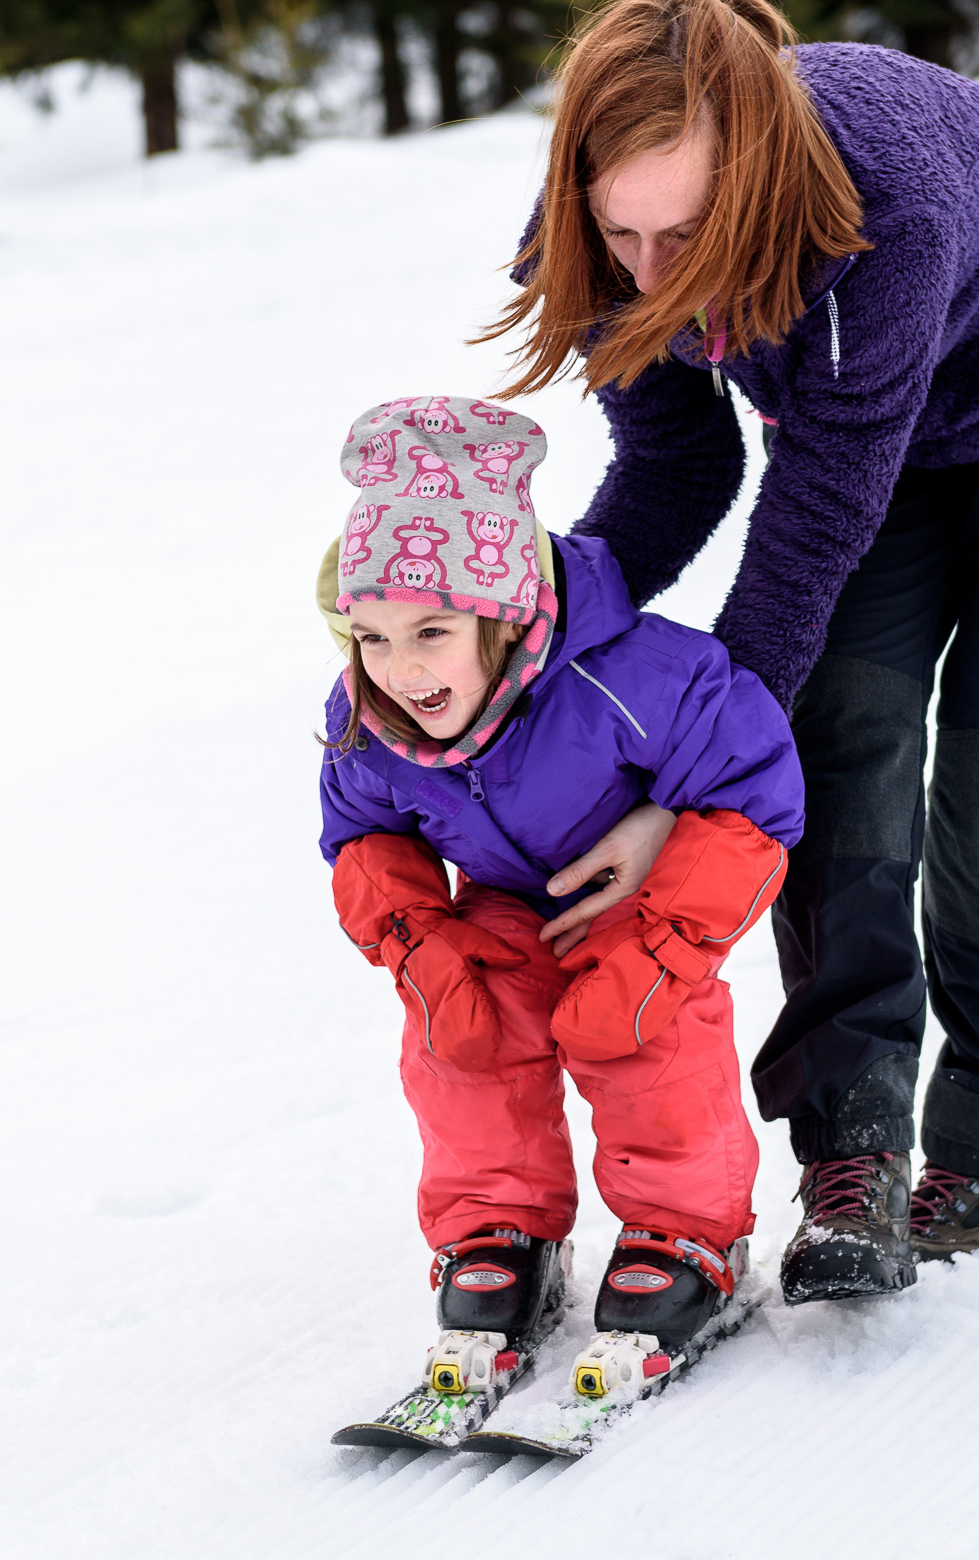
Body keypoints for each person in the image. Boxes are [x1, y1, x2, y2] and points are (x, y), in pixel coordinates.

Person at [482, 0, 979, 1302]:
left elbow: (803, 535)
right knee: (835, 730)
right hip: (876, 437)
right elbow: (678, 471)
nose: (644, 272)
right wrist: (535, 654)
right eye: (617, 233)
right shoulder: (595, 235)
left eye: (680, 238)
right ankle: (851, 1150)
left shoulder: (877, 214)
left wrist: (675, 797)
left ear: (746, 182)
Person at [317, 393, 802, 1396]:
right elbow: (363, 829)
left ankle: (689, 1236)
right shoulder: (369, 711)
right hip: (501, 899)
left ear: (501, 612)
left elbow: (755, 786)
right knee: (464, 1029)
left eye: (431, 631)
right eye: (369, 636)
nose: (399, 669)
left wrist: (667, 941)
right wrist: (416, 939)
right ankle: (498, 1231)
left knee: (642, 1030)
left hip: (644, 900)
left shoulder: (634, 673)